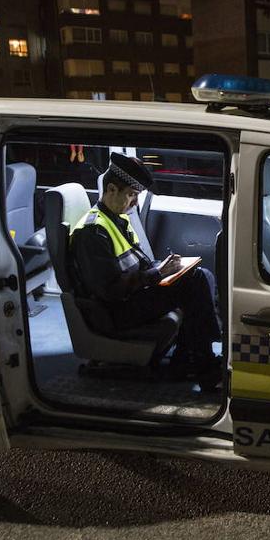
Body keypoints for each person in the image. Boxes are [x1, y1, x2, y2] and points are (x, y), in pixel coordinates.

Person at [69, 153, 222, 387]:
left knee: (201, 274)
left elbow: (137, 265)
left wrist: (165, 267)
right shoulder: (93, 232)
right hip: (117, 311)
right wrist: (158, 274)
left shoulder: (118, 220)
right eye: (131, 195)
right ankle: (203, 364)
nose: (134, 203)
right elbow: (111, 291)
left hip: (133, 296)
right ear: (111, 189)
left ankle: (187, 356)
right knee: (196, 281)